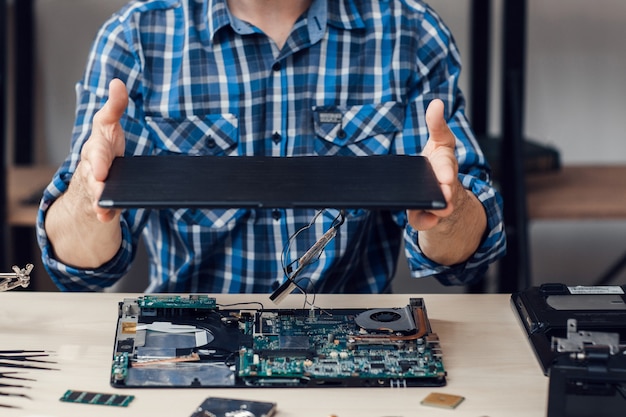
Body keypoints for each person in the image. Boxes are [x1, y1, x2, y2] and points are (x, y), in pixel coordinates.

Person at [36, 0, 506, 294]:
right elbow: (79, 271)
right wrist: (87, 190)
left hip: (353, 347)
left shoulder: (411, 32)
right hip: (187, 347)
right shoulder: (135, 38)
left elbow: (468, 258)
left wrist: (451, 209)